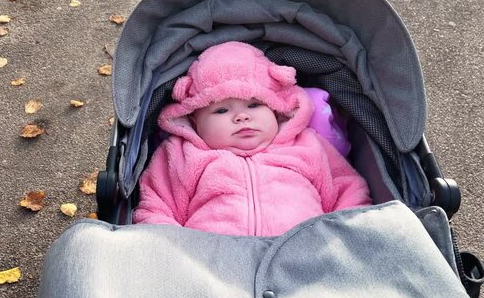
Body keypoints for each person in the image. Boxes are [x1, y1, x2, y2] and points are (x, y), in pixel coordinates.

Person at [133, 41, 372, 236]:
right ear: (194, 120)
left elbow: (348, 193)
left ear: (277, 109)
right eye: (221, 110)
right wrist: (178, 254)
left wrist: (343, 238)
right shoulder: (182, 153)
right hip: (213, 263)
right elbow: (156, 206)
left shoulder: (306, 145)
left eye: (254, 104)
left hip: (306, 253)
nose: (242, 116)